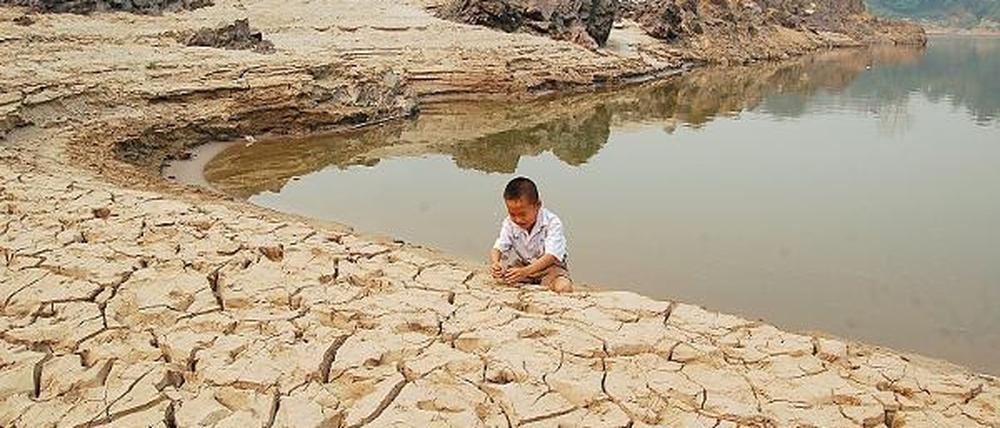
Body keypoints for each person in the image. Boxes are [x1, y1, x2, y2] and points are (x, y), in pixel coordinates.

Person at [489, 177, 573, 293]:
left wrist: (526, 271)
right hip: (524, 265)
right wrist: (496, 263)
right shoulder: (509, 223)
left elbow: (551, 256)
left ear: (537, 205)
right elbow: (498, 247)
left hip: (550, 268)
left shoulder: (552, 222)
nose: (518, 219)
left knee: (563, 287)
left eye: (523, 214)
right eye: (513, 214)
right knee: (501, 279)